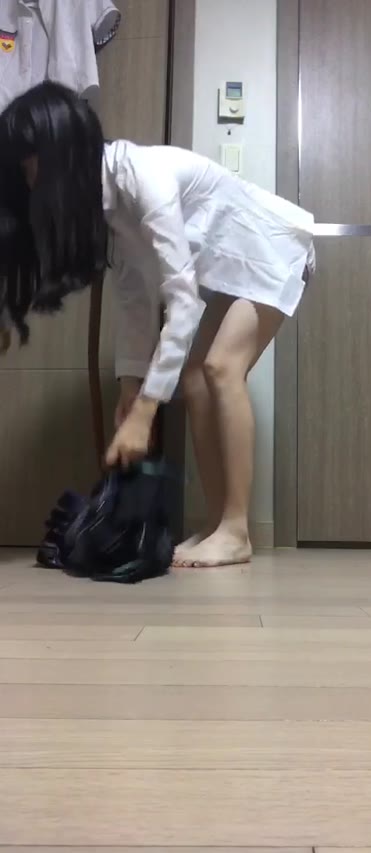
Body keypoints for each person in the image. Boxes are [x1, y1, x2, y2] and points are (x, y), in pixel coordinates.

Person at [0, 81, 315, 568]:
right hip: (234, 269)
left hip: (277, 248)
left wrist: (147, 411)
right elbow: (135, 299)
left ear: (62, 152)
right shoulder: (110, 208)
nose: (29, 177)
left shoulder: (142, 177)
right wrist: (132, 387)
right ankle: (217, 524)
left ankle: (237, 530)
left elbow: (182, 300)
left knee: (221, 368)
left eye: (31, 162)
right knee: (194, 380)